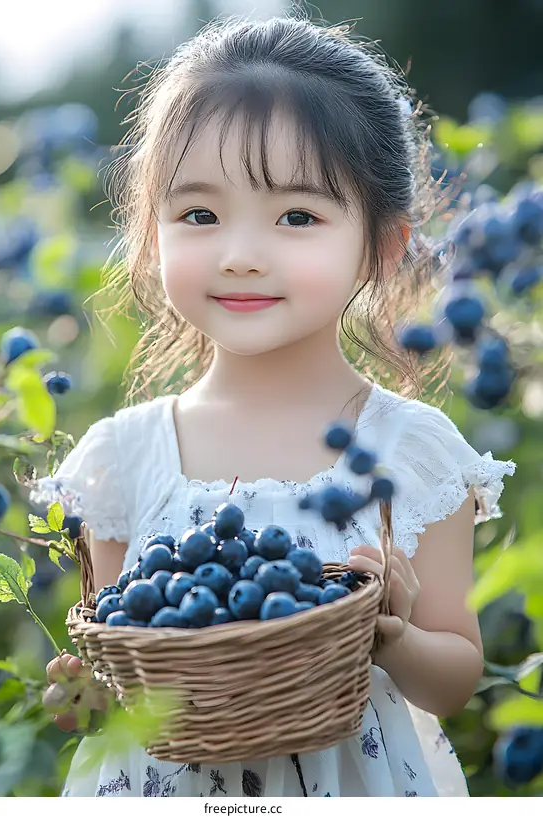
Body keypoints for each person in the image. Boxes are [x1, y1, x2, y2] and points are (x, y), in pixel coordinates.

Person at [34, 14, 516, 798]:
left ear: (382, 245)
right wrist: (77, 695)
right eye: (199, 215)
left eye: (297, 216)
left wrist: (392, 634)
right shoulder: (118, 458)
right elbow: (111, 677)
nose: (241, 252)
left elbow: (455, 679)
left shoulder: (409, 451)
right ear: (148, 235)